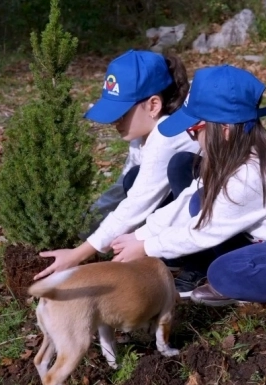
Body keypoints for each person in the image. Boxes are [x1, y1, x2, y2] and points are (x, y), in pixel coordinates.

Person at [109, 64, 266, 351]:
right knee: (197, 201)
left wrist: (148, 247)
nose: (190, 137)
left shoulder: (250, 175)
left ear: (224, 130)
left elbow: (201, 233)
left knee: (225, 272)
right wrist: (140, 235)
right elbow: (185, 204)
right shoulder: (227, 158)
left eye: (193, 129)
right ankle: (242, 279)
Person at [34, 49, 201, 293]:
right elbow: (121, 190)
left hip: (223, 211)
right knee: (132, 179)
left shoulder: (167, 134)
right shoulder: (144, 132)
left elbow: (138, 203)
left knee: (179, 168)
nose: (115, 122)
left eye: (122, 113)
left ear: (153, 104)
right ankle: (176, 253)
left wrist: (79, 253)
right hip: (196, 199)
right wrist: (84, 227)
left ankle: (201, 261)